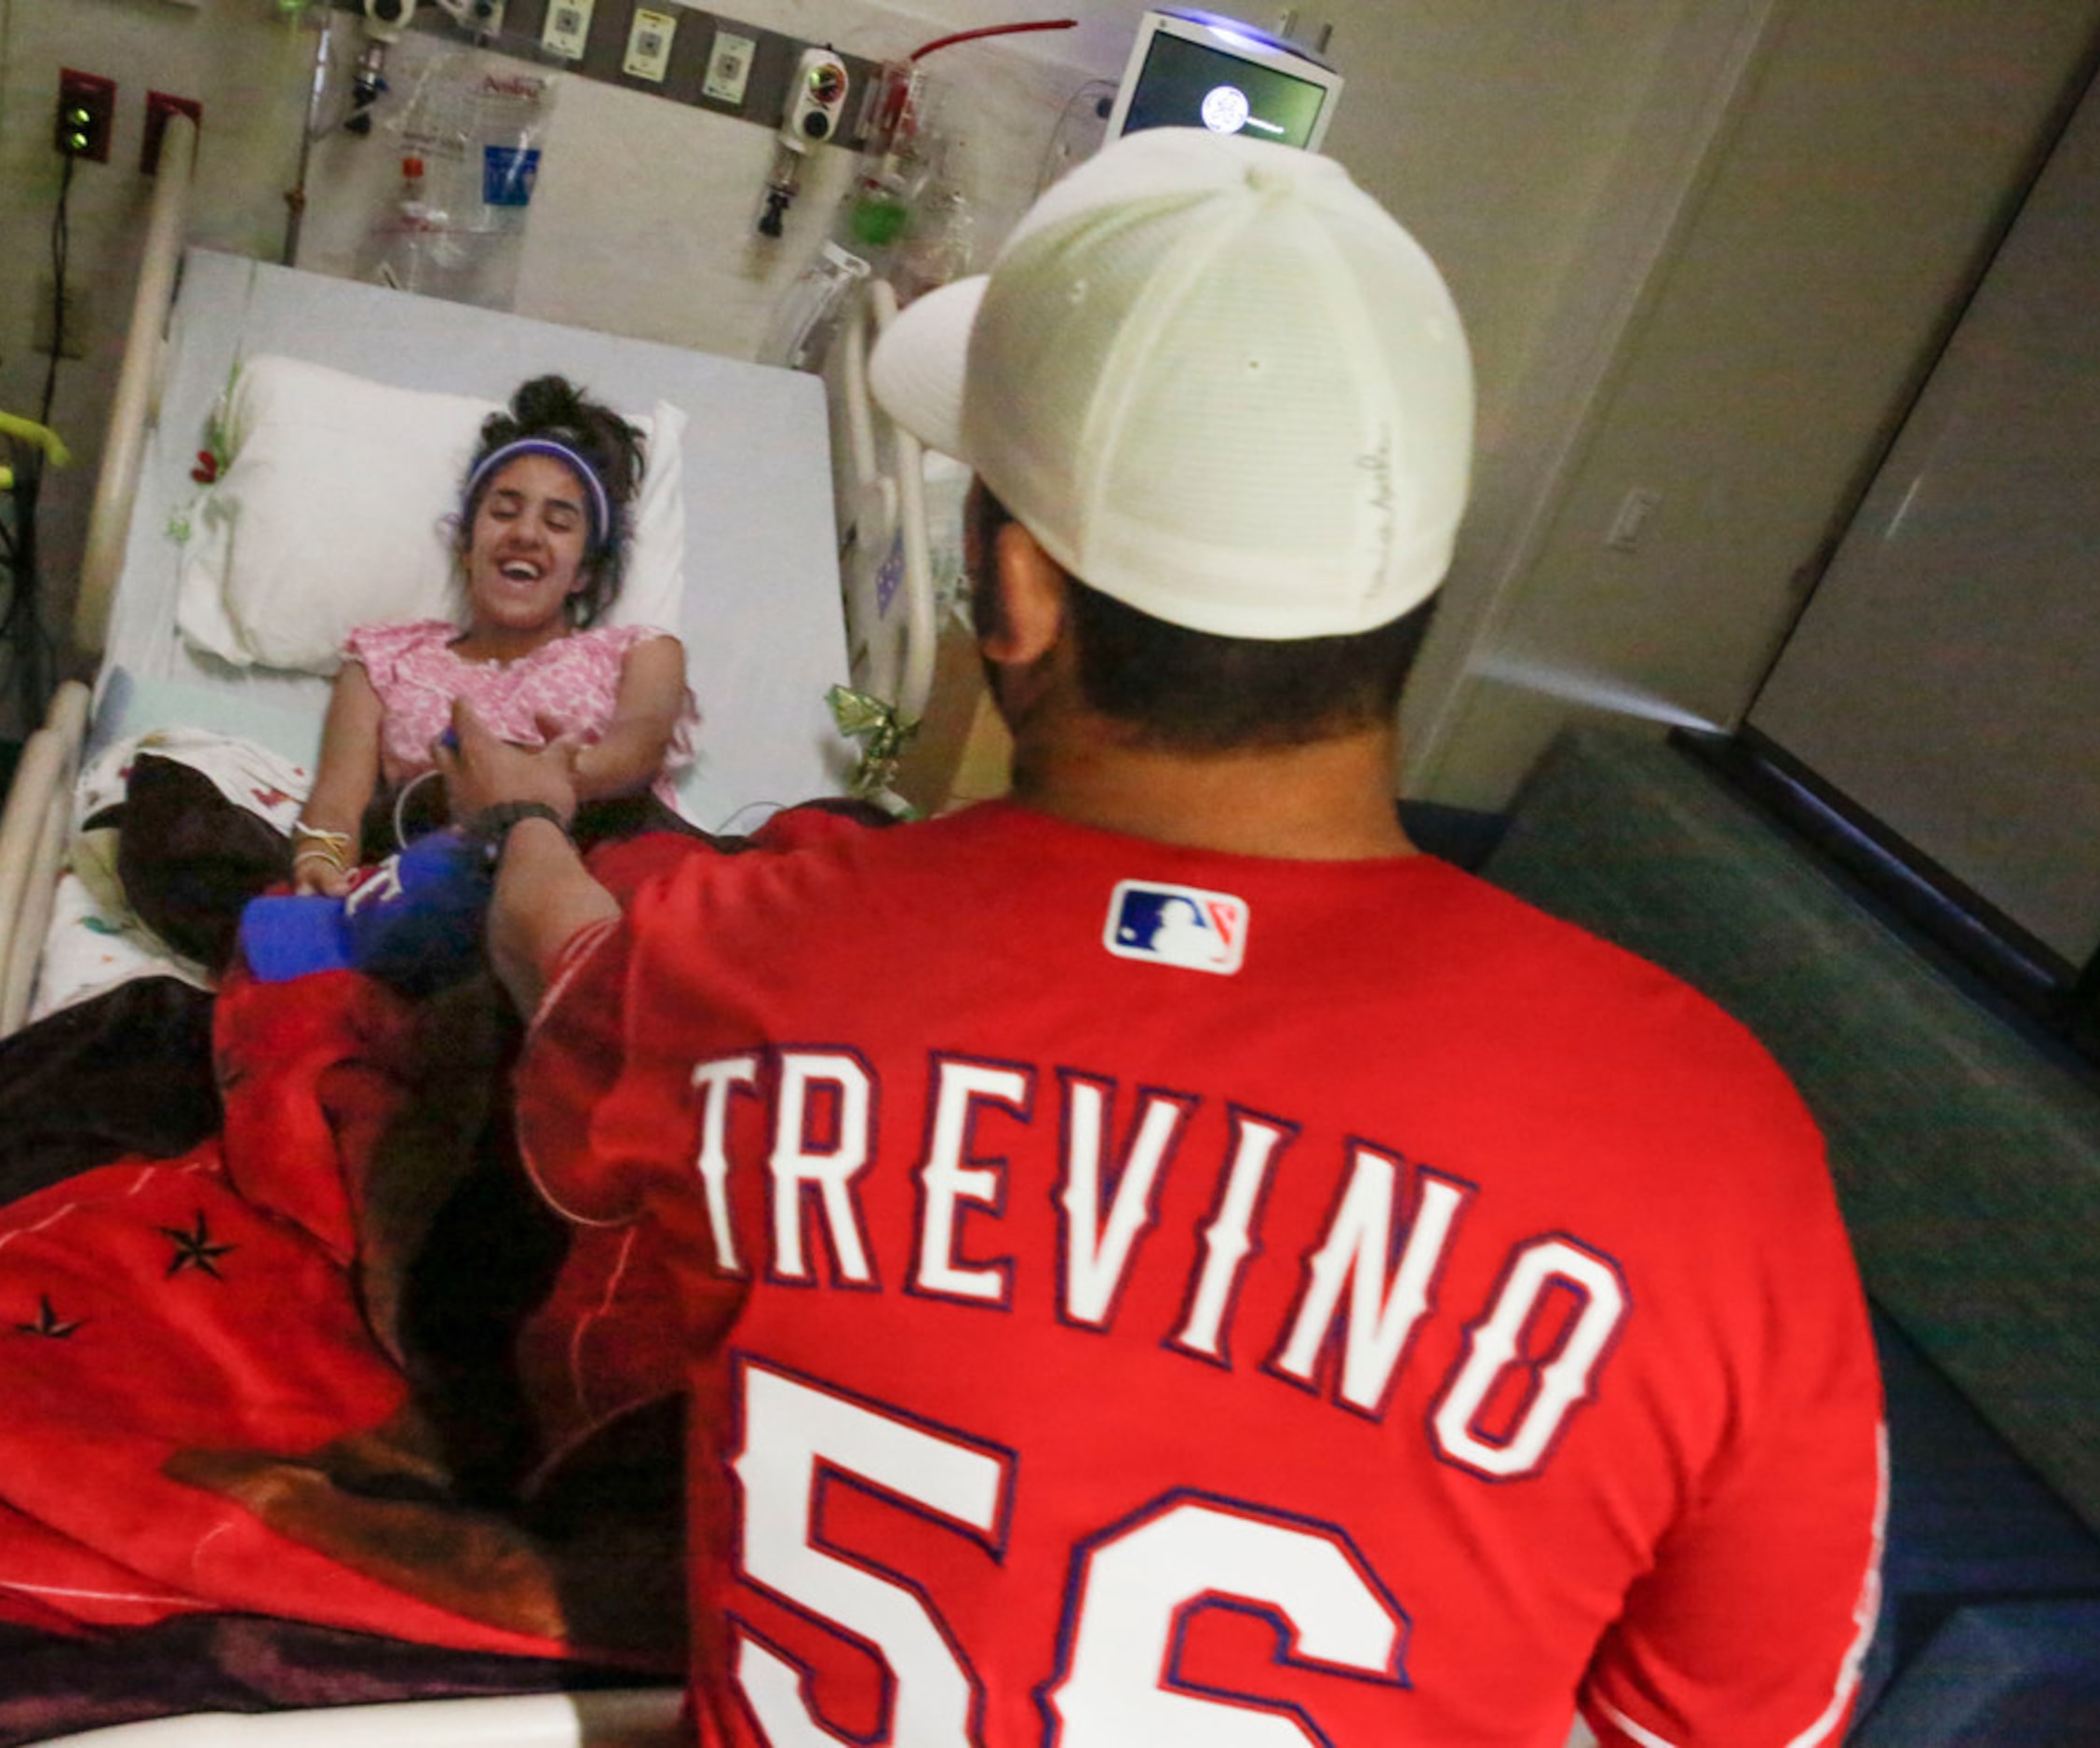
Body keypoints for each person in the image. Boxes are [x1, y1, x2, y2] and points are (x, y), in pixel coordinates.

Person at [440, 130, 1885, 1746]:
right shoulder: (1718, 1152)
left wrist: (526, 822)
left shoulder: (757, 957)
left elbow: (553, 958)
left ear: (1020, 591)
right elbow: (1736, 1721)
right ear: (1399, 588)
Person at [289, 374, 693, 896]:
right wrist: (320, 862)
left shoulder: (641, 653)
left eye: (559, 522)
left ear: (585, 572)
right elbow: (337, 801)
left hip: (600, 881)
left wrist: (544, 781)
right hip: (432, 892)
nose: (525, 534)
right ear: (465, 544)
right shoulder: (385, 660)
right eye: (504, 511)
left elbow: (638, 747)